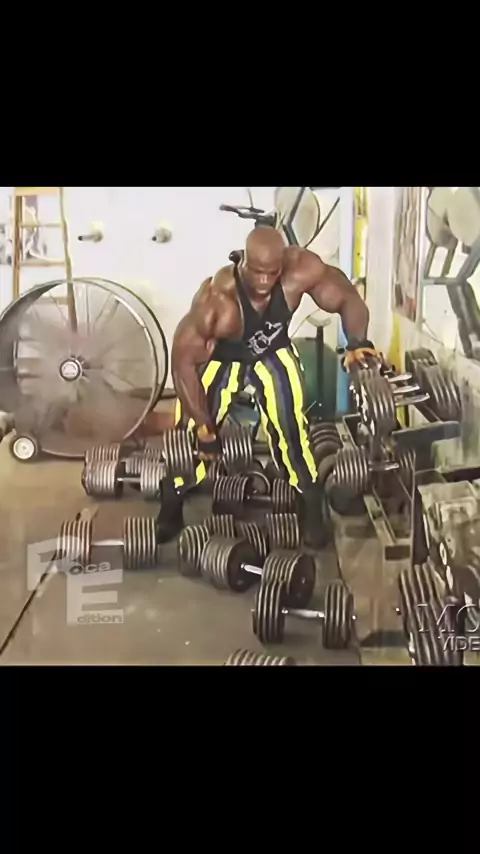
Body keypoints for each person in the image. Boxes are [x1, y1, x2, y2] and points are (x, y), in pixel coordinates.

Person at [157, 226, 380, 547]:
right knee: (191, 434)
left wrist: (358, 342)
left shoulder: (301, 270)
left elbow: (346, 296)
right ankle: (173, 500)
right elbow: (183, 363)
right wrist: (205, 427)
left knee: (293, 430)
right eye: (256, 272)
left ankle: (309, 504)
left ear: (282, 265)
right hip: (224, 358)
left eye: (271, 273)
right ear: (242, 261)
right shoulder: (217, 300)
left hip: (273, 352)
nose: (263, 282)